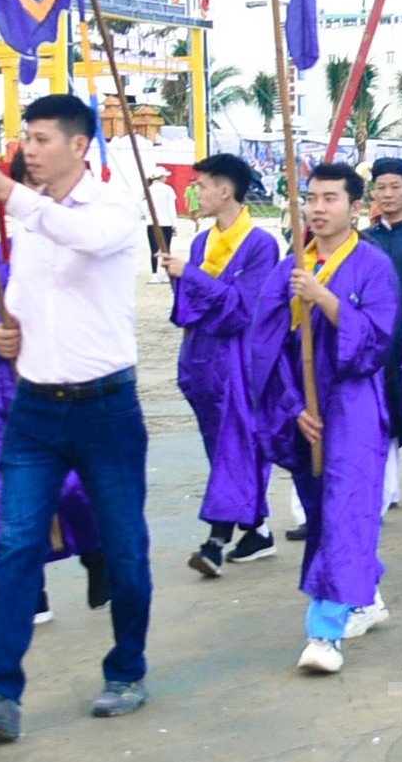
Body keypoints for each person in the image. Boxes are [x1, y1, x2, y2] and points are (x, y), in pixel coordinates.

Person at [0, 94, 151, 744]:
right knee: (14, 545)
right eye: (24, 138)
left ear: (78, 145)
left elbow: (83, 239)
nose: (28, 148)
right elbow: (31, 301)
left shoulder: (116, 206)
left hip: (106, 407)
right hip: (35, 408)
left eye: (40, 138)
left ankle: (127, 668)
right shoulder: (25, 219)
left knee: (124, 547)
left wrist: (8, 190)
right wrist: (13, 337)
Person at [252, 162, 399, 674]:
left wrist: (327, 300)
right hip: (304, 404)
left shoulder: (374, 265)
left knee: (346, 508)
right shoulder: (289, 266)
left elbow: (379, 341)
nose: (318, 208)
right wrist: (293, 406)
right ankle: (366, 591)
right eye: (311, 198)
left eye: (330, 199)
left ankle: (325, 632)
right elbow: (266, 344)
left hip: (355, 403)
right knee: (323, 513)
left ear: (356, 207)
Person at [0, 238, 108, 629]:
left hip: (72, 390)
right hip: (14, 395)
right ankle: (26, 591)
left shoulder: (79, 251)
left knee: (74, 486)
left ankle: (98, 553)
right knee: (10, 496)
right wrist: (3, 353)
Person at [166, 152, 282, 576]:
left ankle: (216, 540)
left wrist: (192, 279)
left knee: (237, 441)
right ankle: (257, 528)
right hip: (201, 358)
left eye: (201, 184)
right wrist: (183, 281)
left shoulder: (260, 245)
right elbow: (189, 308)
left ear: (225, 190)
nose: (194, 191)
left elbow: (244, 309)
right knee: (223, 446)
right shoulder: (201, 242)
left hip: (240, 359)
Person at [360, 157, 402, 518]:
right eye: (381, 187)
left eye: (395, 186)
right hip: (373, 339)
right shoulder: (365, 240)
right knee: (377, 412)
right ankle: (383, 489)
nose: (388, 193)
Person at [144, 169, 180, 285]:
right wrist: (174, 224)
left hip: (152, 223)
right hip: (166, 223)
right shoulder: (168, 189)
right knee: (166, 249)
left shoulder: (148, 190)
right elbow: (171, 208)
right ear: (160, 177)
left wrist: (148, 216)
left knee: (153, 249)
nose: (166, 178)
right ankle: (166, 274)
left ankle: (154, 275)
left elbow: (144, 207)